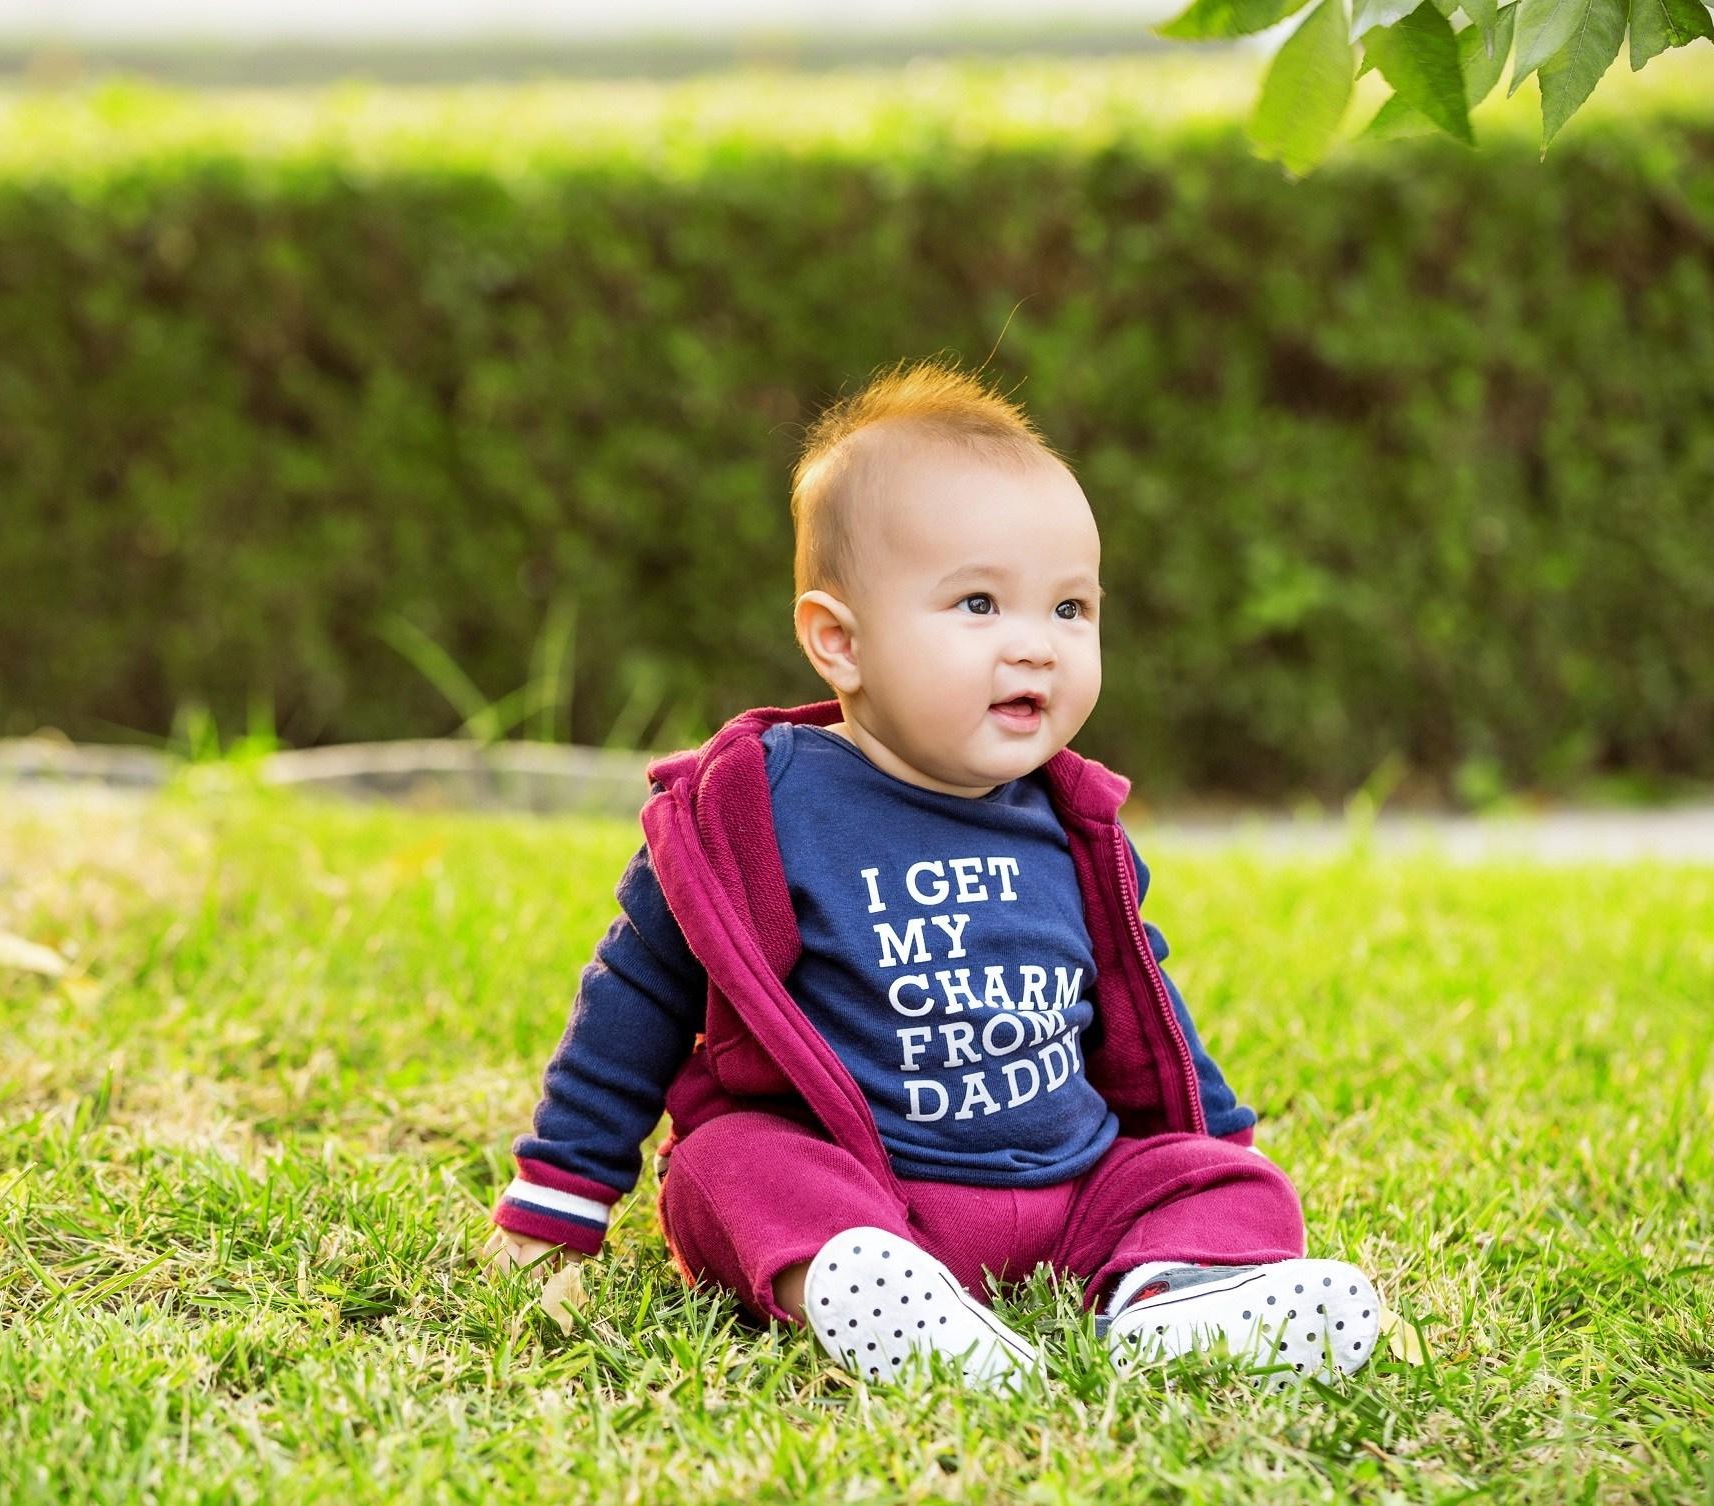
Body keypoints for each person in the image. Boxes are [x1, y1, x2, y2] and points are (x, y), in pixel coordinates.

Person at [481, 356, 1382, 1390]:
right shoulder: (755, 808)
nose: (1036, 647)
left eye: (1070, 611)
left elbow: (1144, 1005)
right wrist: (559, 1200)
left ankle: (1170, 1301)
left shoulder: (1072, 820)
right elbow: (635, 995)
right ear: (838, 643)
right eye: (978, 605)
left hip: (1067, 1190)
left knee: (1214, 1180)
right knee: (732, 1169)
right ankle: (870, 1296)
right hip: (861, 1185)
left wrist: (1222, 1151)